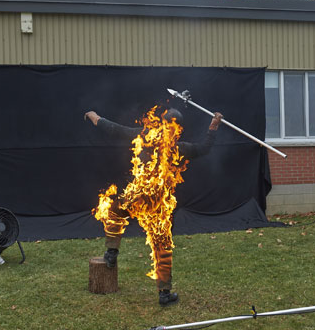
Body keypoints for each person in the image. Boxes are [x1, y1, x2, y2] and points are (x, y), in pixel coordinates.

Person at [85, 107, 223, 306]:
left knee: (115, 210)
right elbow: (204, 148)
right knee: (162, 248)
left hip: (139, 197)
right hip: (158, 205)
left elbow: (115, 129)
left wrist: (94, 117)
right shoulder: (179, 148)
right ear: (178, 128)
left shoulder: (145, 135)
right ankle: (164, 294)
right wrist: (213, 126)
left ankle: (111, 253)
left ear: (162, 122)